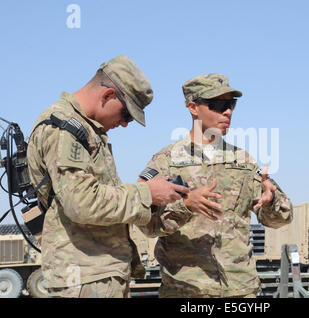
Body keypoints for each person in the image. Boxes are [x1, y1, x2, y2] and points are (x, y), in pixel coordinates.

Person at [26, 55, 189, 298]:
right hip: (86, 277)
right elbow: (81, 202)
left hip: (97, 273)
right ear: (108, 95)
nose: (124, 124)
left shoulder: (86, 130)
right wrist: (147, 193)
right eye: (126, 115)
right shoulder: (64, 129)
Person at [138, 73, 293, 297]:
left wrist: (271, 202)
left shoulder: (244, 161)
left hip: (240, 292)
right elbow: (144, 224)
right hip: (187, 292)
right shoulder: (165, 162)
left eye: (231, 104)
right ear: (193, 107)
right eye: (218, 105)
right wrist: (186, 206)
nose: (227, 112)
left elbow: (282, 218)